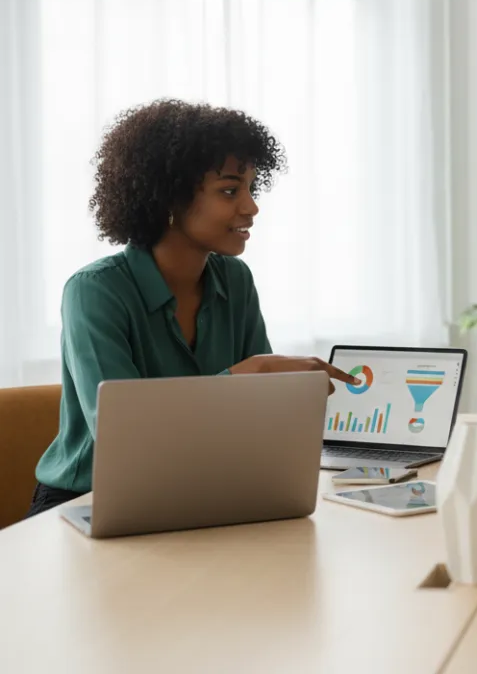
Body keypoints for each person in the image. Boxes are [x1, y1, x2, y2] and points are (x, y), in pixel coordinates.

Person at [28, 99, 357, 518]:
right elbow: (127, 438)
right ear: (170, 197)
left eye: (252, 188)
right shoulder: (95, 292)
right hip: (86, 501)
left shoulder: (236, 281)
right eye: (229, 190)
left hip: (199, 492)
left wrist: (292, 403)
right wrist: (243, 376)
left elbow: (254, 418)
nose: (251, 206)